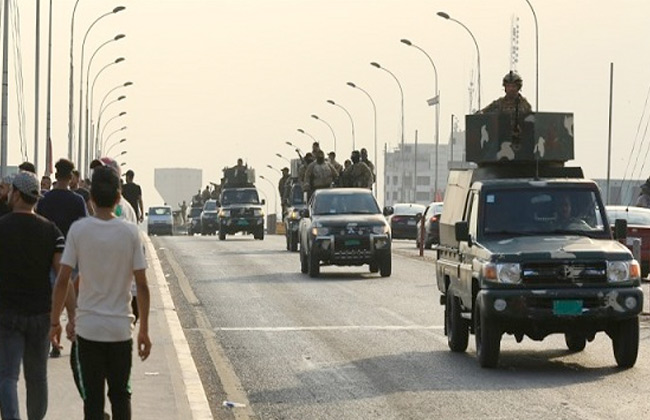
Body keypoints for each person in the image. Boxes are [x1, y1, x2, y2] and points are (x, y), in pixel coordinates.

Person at [50, 165, 151, 420]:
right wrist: (144, 330)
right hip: (120, 330)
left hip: (89, 331)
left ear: (91, 198)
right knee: (121, 396)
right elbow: (142, 285)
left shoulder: (79, 230)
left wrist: (55, 322)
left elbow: (63, 280)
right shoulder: (131, 233)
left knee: (93, 402)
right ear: (119, 199)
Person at [0, 171, 66, 420]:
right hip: (40, 314)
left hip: (6, 313)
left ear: (16, 194)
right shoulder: (51, 231)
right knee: (37, 377)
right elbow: (63, 276)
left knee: (7, 376)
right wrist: (65, 315)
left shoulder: (2, 227)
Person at [36, 158, 89, 358]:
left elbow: (39, 223)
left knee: (54, 299)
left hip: (49, 255)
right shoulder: (77, 200)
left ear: (56, 176)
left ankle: (54, 339)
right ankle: (74, 332)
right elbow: (84, 227)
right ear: (70, 176)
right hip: (72, 255)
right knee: (69, 296)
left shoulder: (45, 200)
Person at [480, 71, 532, 138]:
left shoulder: (524, 105)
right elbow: (483, 113)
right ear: (505, 88)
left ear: (518, 88)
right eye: (508, 86)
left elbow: (530, 123)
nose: (511, 89)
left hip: (520, 141)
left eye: (513, 86)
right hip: (501, 140)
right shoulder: (498, 104)